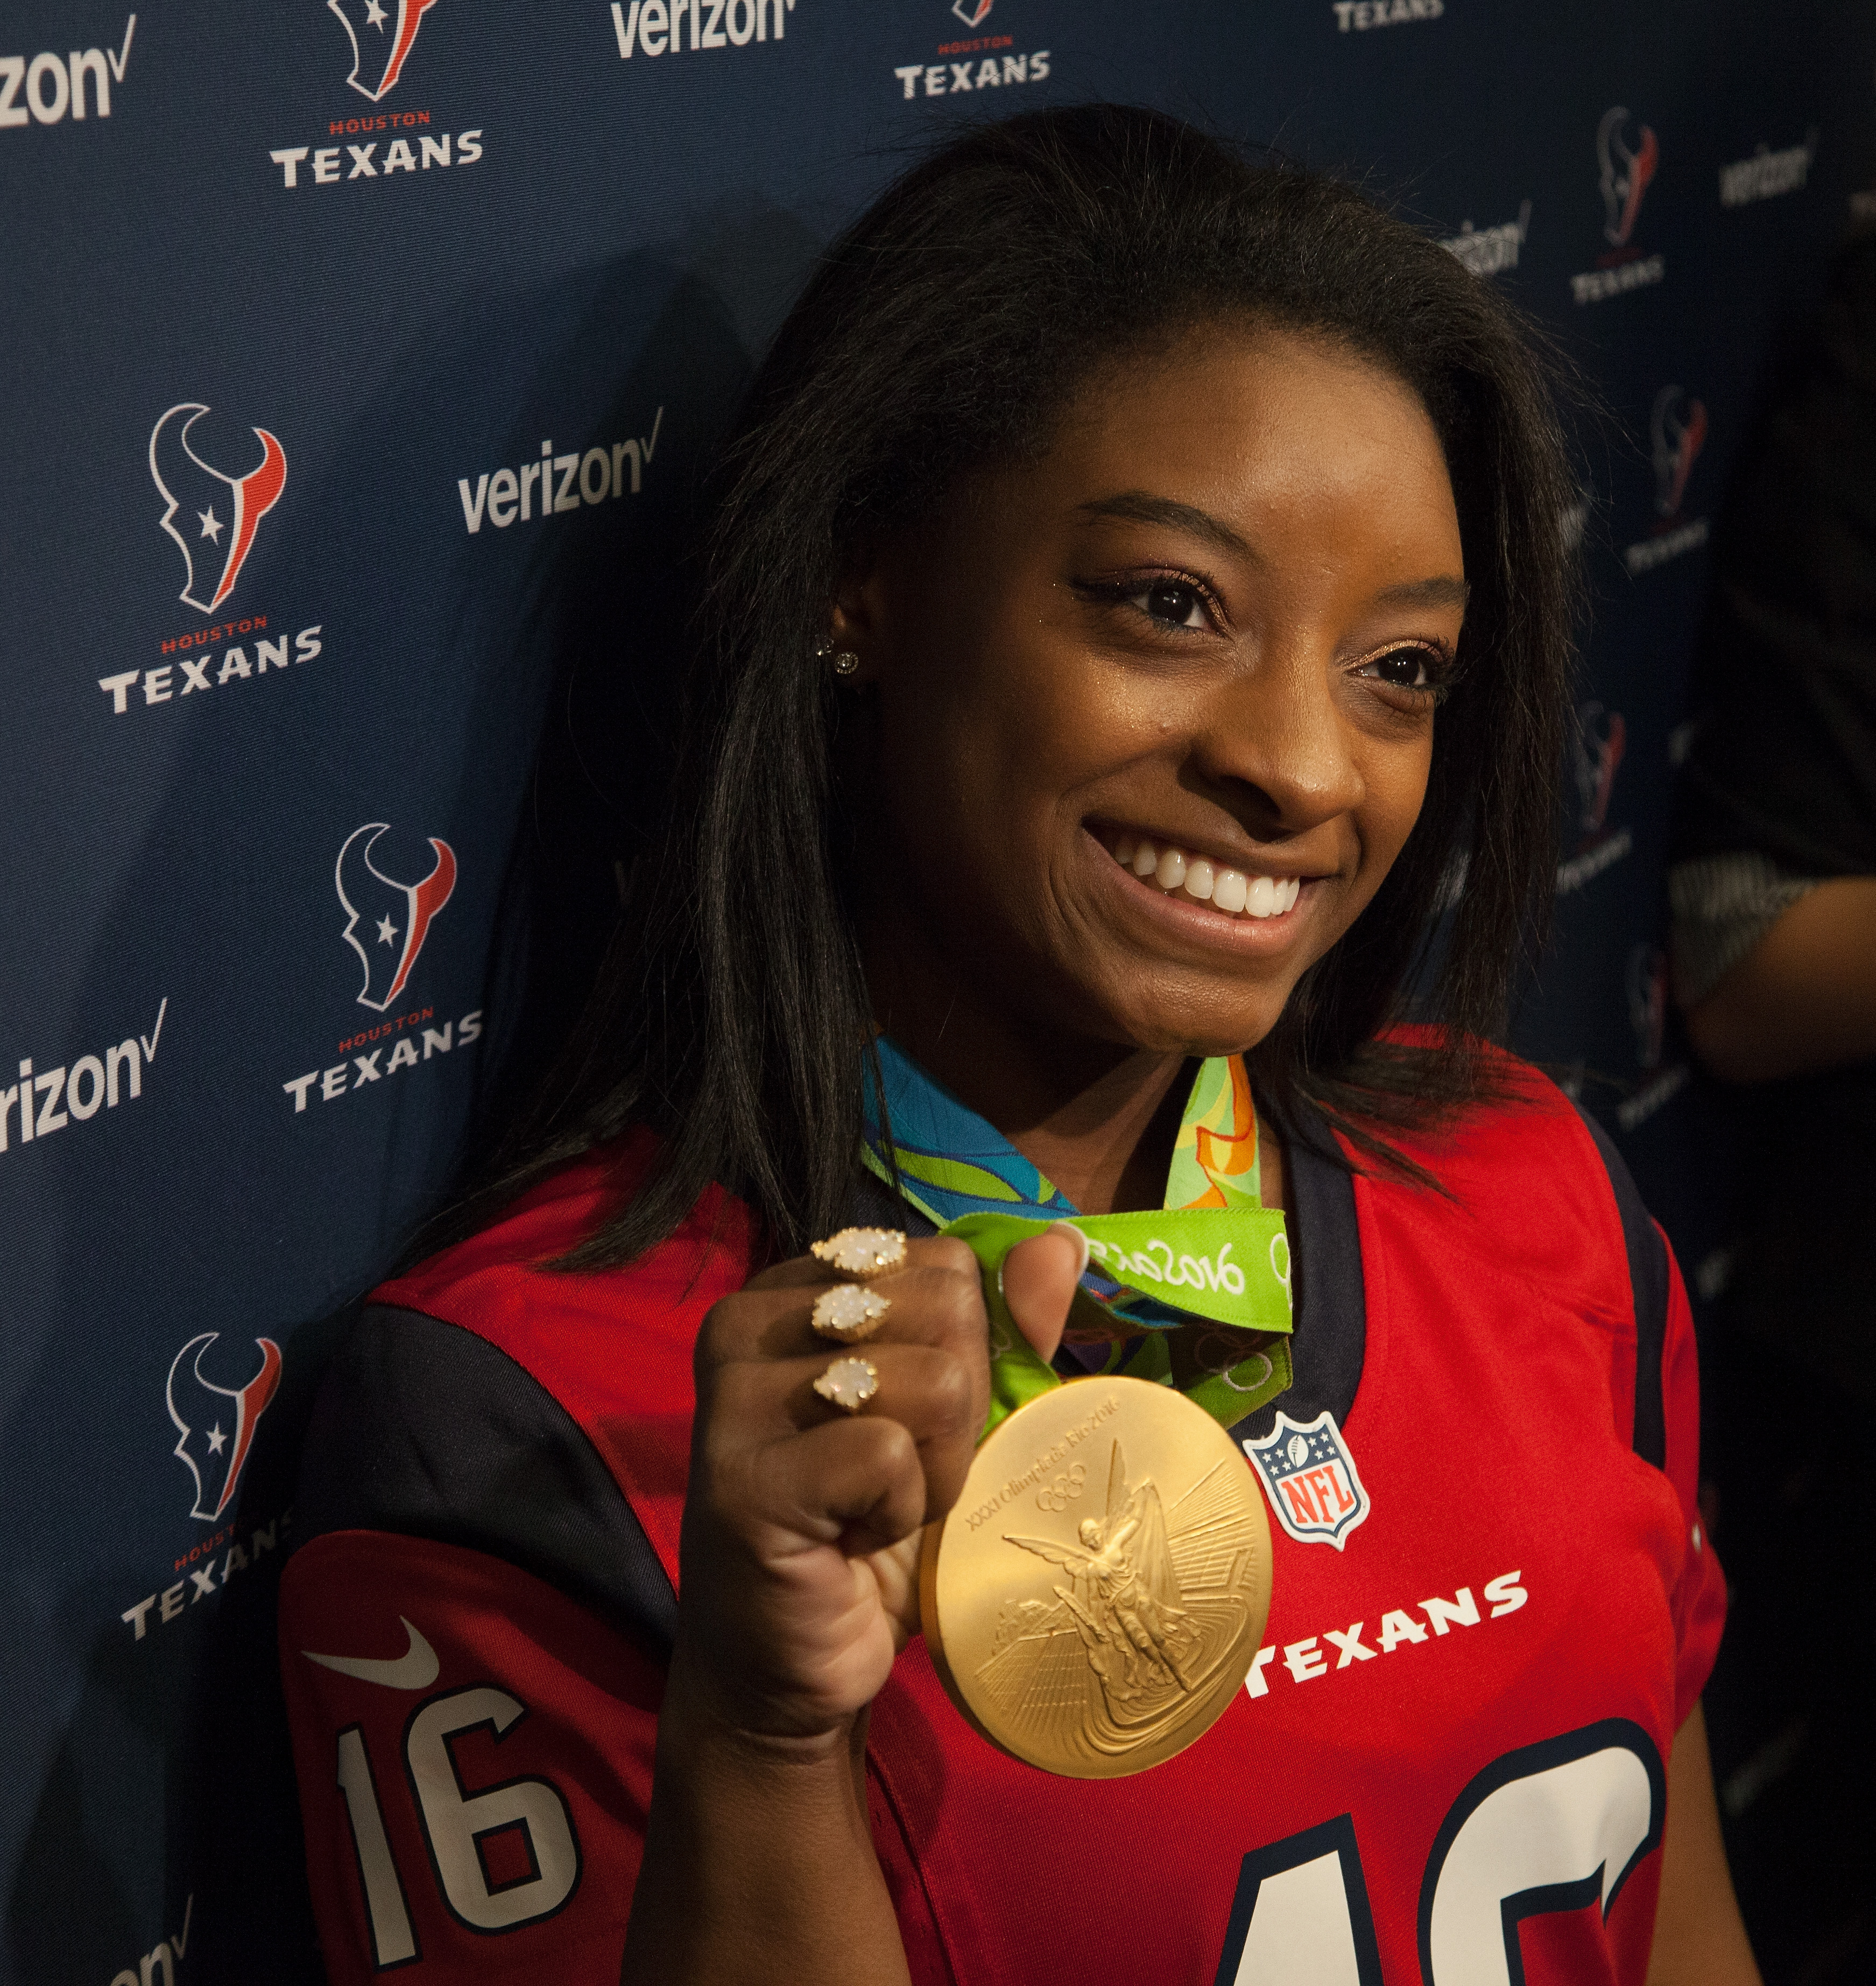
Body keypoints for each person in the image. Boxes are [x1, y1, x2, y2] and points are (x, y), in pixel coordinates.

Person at [279, 108, 1758, 1984]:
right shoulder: (531, 1407)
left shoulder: (1533, 1188)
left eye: (1402, 669)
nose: (1304, 768)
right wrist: (766, 1735)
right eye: (1169, 605)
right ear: (861, 580)